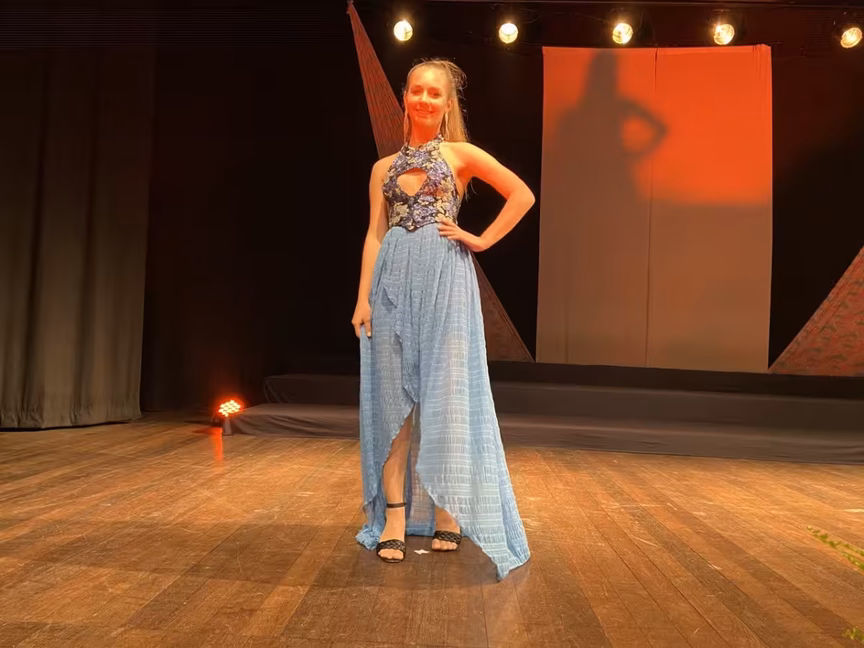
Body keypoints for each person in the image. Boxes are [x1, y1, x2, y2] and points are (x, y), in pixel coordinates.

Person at [351, 59, 533, 580]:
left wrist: (482, 239)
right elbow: (375, 234)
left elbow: (522, 194)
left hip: (446, 284)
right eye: (417, 91)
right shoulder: (382, 168)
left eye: (435, 93)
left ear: (448, 103)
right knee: (393, 404)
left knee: (445, 398)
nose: (425, 99)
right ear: (405, 97)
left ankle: (448, 511)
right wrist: (362, 299)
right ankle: (394, 517)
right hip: (391, 285)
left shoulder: (460, 154)